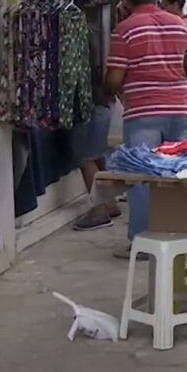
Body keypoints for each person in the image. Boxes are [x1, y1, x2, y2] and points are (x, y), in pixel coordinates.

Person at [106, 0, 187, 258]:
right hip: (179, 106)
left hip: (143, 110)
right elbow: (183, 63)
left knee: (141, 177)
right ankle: (179, 236)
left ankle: (144, 244)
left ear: (127, 1)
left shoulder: (124, 29)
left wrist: (113, 88)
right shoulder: (180, 25)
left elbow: (115, 77)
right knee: (177, 173)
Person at [71, 29, 119, 231]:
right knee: (98, 157)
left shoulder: (76, 64)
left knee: (86, 158)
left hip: (88, 107)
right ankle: (110, 203)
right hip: (103, 104)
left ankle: (99, 209)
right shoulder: (97, 52)